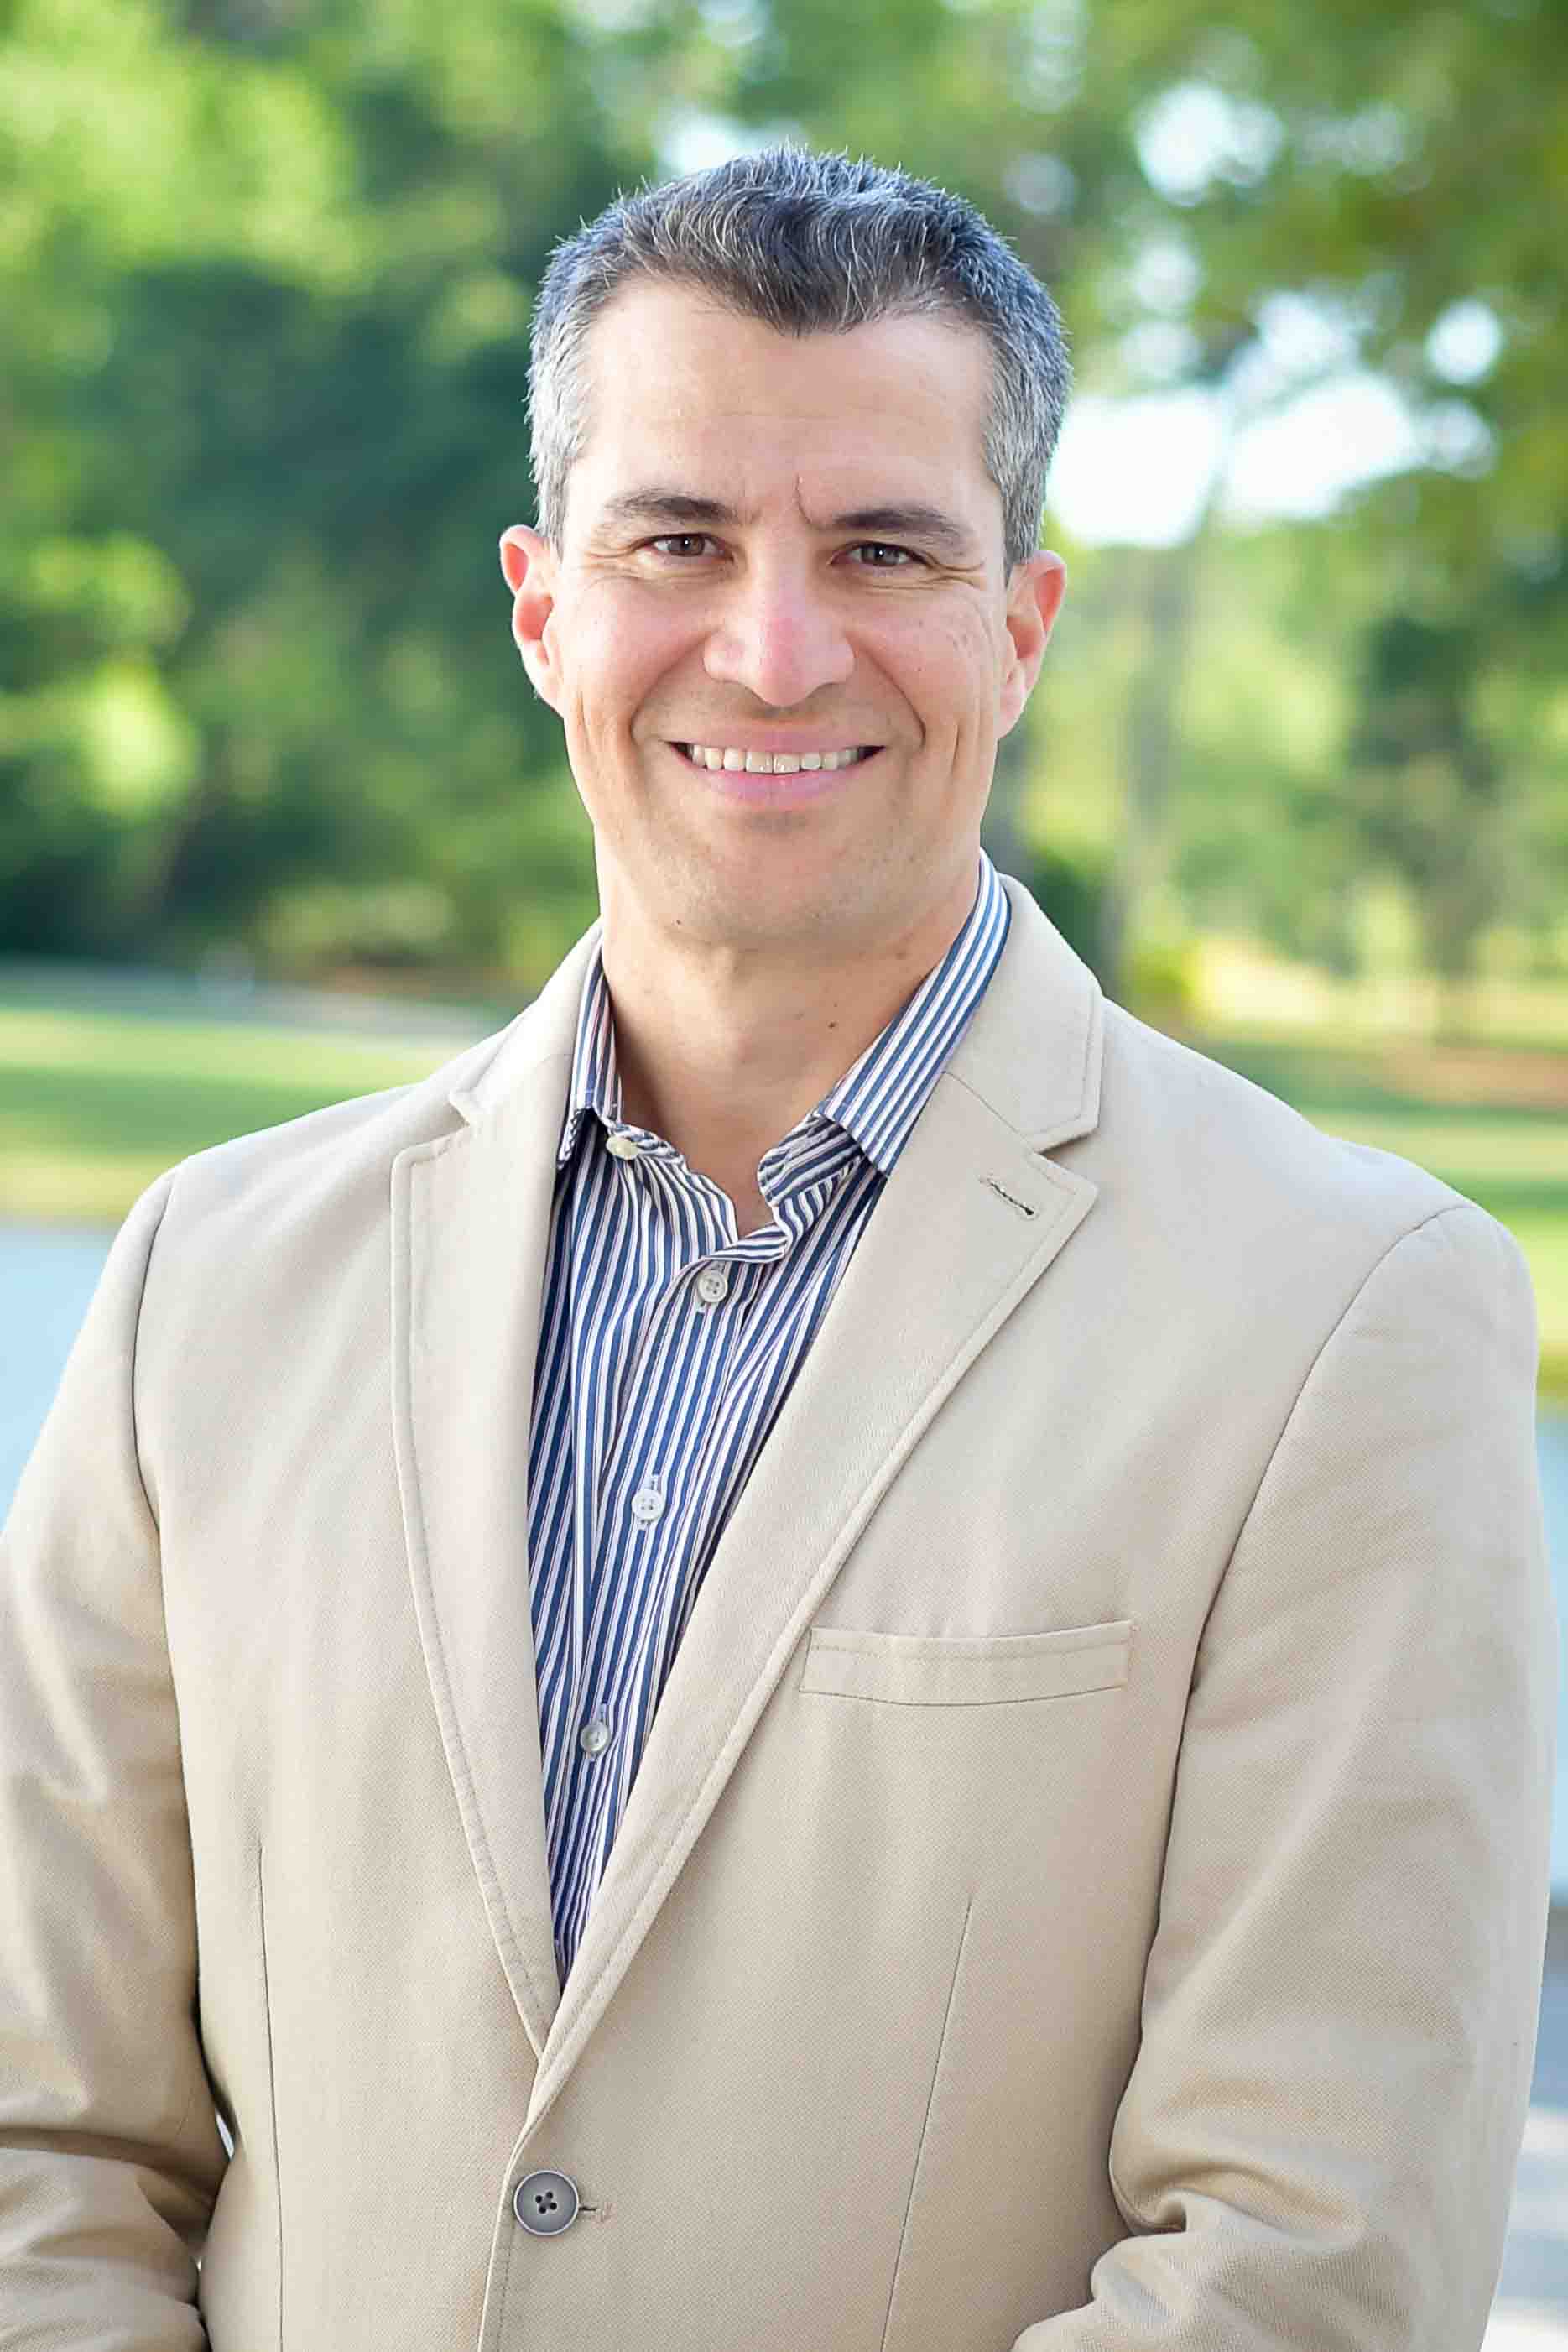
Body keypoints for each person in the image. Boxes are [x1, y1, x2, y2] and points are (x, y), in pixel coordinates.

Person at [0, 145, 1554, 2352]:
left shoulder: (1349, 1318)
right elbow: (41, 2144)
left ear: (1019, 626)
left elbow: (1307, 2262)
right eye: (681, 539)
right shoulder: (206, 1287)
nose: (775, 641)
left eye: (884, 546)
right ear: (544, 608)